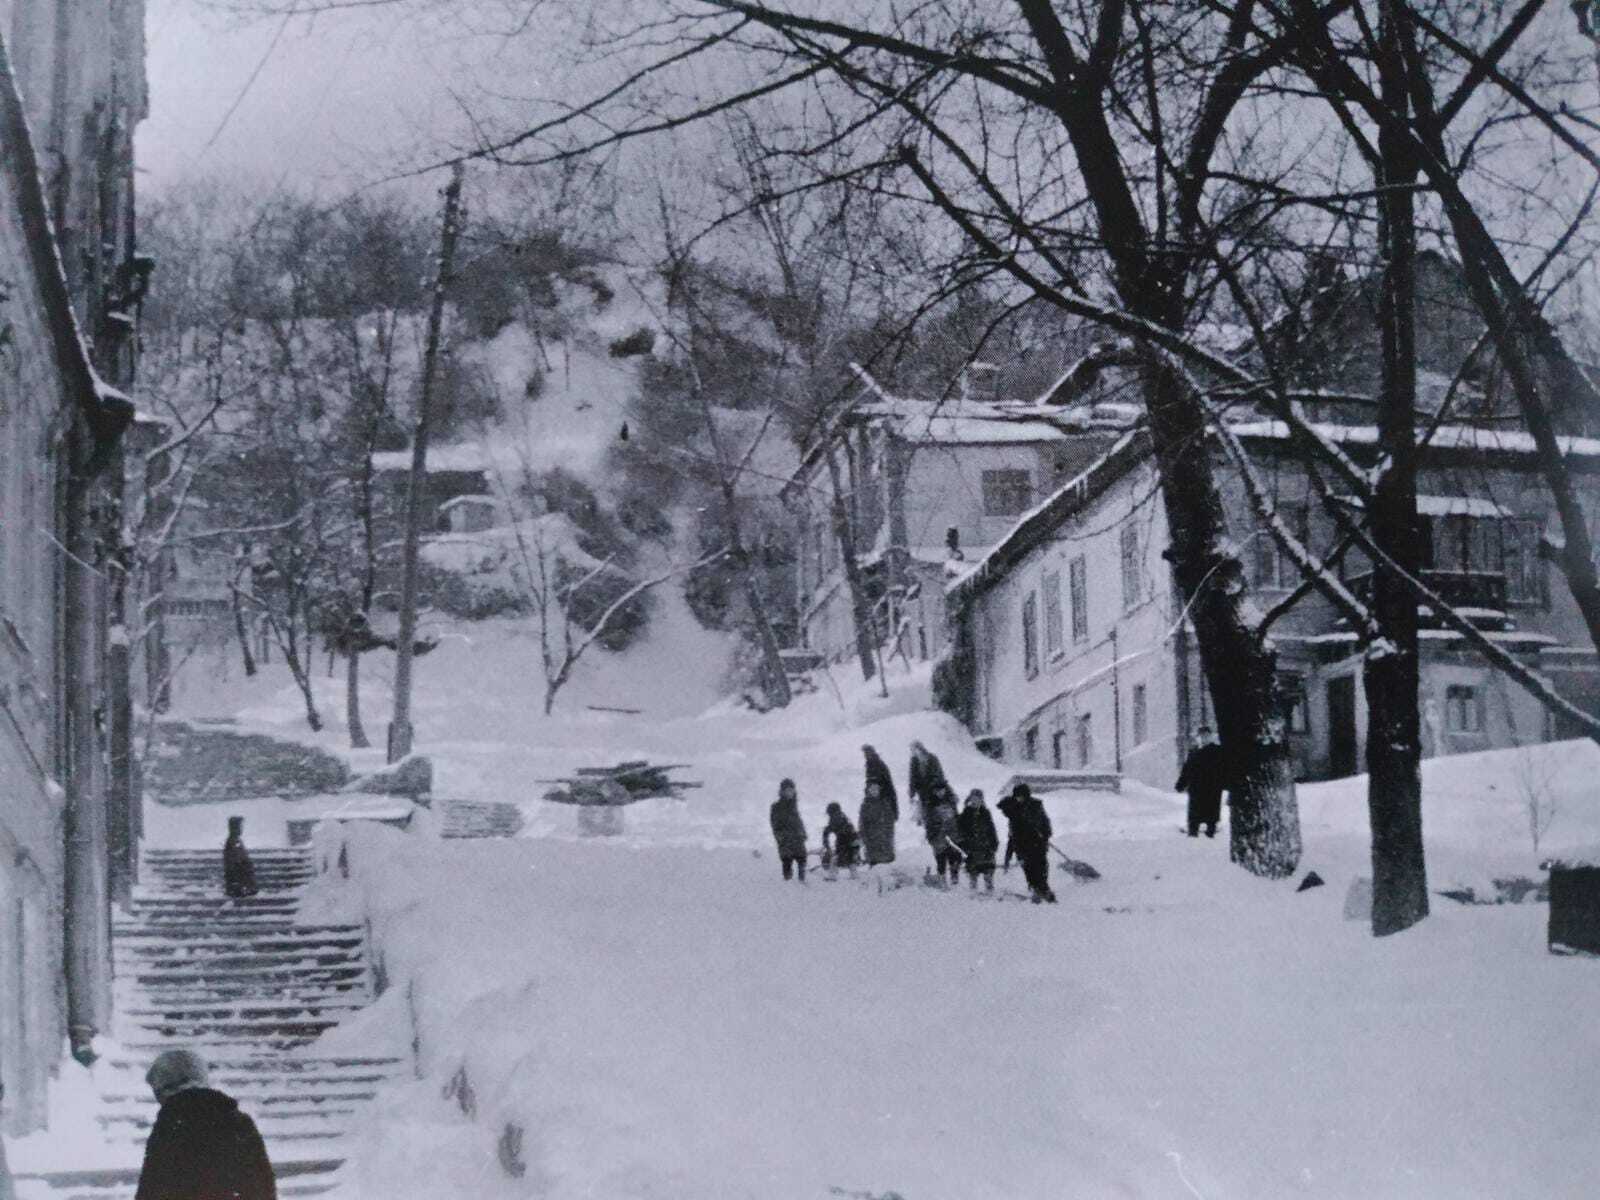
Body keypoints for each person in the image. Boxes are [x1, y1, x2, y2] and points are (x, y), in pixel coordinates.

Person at [135, 1048, 276, 1200]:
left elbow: (151, 1189)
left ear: (166, 1088)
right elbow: (263, 1185)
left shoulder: (170, 1126)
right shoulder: (240, 1122)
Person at [998, 783, 1056, 903]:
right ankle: (1036, 890)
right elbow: (1004, 807)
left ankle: (1044, 891)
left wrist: (1045, 834)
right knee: (1029, 870)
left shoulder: (1036, 806)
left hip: (1038, 844)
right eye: (1017, 796)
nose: (1019, 798)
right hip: (1021, 846)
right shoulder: (1013, 808)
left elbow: (1045, 822)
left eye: (1022, 796)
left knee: (1041, 869)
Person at [1175, 727, 1228, 838]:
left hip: (1212, 788)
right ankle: (1192, 835)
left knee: (1211, 816)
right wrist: (1181, 784)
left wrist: (1225, 783)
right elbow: (1187, 769)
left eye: (1206, 736)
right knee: (1194, 817)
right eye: (1202, 736)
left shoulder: (1217, 751)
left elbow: (1224, 768)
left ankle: (1210, 835)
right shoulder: (1194, 752)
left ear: (1211, 736)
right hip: (1196, 789)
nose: (1204, 738)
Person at [956, 789, 1000, 892]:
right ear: (970, 799)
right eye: (973, 798)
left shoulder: (986, 813)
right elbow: (960, 833)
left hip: (986, 849)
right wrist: (964, 846)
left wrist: (994, 844)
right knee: (973, 875)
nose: (975, 801)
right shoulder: (965, 814)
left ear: (981, 800)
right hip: (972, 849)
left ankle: (989, 892)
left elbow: (991, 830)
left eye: (978, 798)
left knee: (988, 873)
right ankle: (973, 895)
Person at [769, 779, 808, 881]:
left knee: (802, 860)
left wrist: (803, 833)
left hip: (798, 839)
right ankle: (788, 884)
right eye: (787, 790)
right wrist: (781, 838)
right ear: (782, 791)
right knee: (787, 863)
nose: (790, 793)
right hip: (785, 840)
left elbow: (798, 821)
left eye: (792, 790)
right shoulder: (776, 806)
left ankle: (802, 883)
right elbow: (775, 825)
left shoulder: (793, 805)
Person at [907, 740, 949, 827]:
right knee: (924, 808)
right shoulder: (914, 760)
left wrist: (937, 786)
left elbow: (939, 773)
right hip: (922, 789)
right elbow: (912, 777)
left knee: (935, 808)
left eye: (914, 749)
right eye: (912, 750)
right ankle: (926, 823)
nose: (913, 752)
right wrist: (911, 792)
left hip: (934, 788)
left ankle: (936, 823)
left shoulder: (932, 758)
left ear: (920, 748)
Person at [925, 786, 962, 886]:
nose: (940, 792)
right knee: (941, 860)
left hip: (952, 835)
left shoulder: (951, 802)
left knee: (954, 858)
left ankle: (955, 880)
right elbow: (929, 823)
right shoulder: (931, 805)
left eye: (941, 790)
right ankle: (942, 880)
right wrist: (931, 836)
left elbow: (957, 818)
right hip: (938, 837)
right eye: (937, 790)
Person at [858, 778, 897, 866]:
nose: (875, 791)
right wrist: (864, 838)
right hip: (872, 841)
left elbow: (890, 820)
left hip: (885, 840)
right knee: (875, 865)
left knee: (887, 864)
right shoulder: (865, 805)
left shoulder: (884, 803)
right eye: (872, 789)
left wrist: (888, 834)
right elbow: (862, 824)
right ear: (868, 790)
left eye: (876, 789)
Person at [821, 802, 860, 879]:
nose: (829, 815)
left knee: (835, 859)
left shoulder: (836, 818)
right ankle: (854, 876)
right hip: (852, 841)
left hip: (845, 842)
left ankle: (832, 876)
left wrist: (826, 842)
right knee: (850, 859)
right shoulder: (843, 817)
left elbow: (829, 830)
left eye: (829, 813)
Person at [223, 816, 259, 899]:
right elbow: (233, 863)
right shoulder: (232, 841)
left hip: (240, 881)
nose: (241, 829)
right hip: (238, 881)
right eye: (240, 826)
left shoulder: (236, 840)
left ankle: (245, 888)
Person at [861, 745, 899, 823]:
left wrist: (869, 802)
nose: (865, 756)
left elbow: (875, 784)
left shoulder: (875, 765)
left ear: (871, 753)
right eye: (865, 753)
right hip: (884, 799)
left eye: (866, 753)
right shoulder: (874, 764)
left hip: (883, 799)